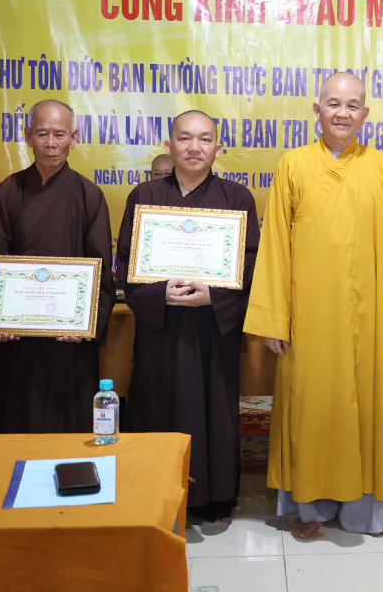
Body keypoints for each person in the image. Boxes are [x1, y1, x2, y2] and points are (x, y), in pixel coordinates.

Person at [244, 71, 383, 538]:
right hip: (307, 317)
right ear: (317, 109)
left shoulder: (380, 167)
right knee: (310, 407)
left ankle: (363, 514)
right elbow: (274, 247)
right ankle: (310, 509)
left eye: (352, 106)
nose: (342, 113)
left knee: (363, 411)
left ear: (365, 113)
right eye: (333, 104)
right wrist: (276, 318)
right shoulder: (292, 164)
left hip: (368, 319)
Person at [116, 110, 259, 523]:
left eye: (204, 139)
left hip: (213, 331)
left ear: (218, 147)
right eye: (185, 138)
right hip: (161, 330)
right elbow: (125, 261)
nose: (194, 147)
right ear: (169, 144)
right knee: (157, 406)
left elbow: (251, 265)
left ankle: (213, 497)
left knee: (213, 411)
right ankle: (155, 493)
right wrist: (158, 293)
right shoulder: (143, 196)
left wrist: (214, 296)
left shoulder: (237, 199)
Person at [0, 99, 115, 433]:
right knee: (17, 423)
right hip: (18, 340)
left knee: (69, 429)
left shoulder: (89, 195)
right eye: (42, 133)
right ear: (27, 136)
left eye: (59, 134)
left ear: (74, 138)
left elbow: (100, 271)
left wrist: (86, 324)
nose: (50, 143)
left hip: (69, 343)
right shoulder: (7, 192)